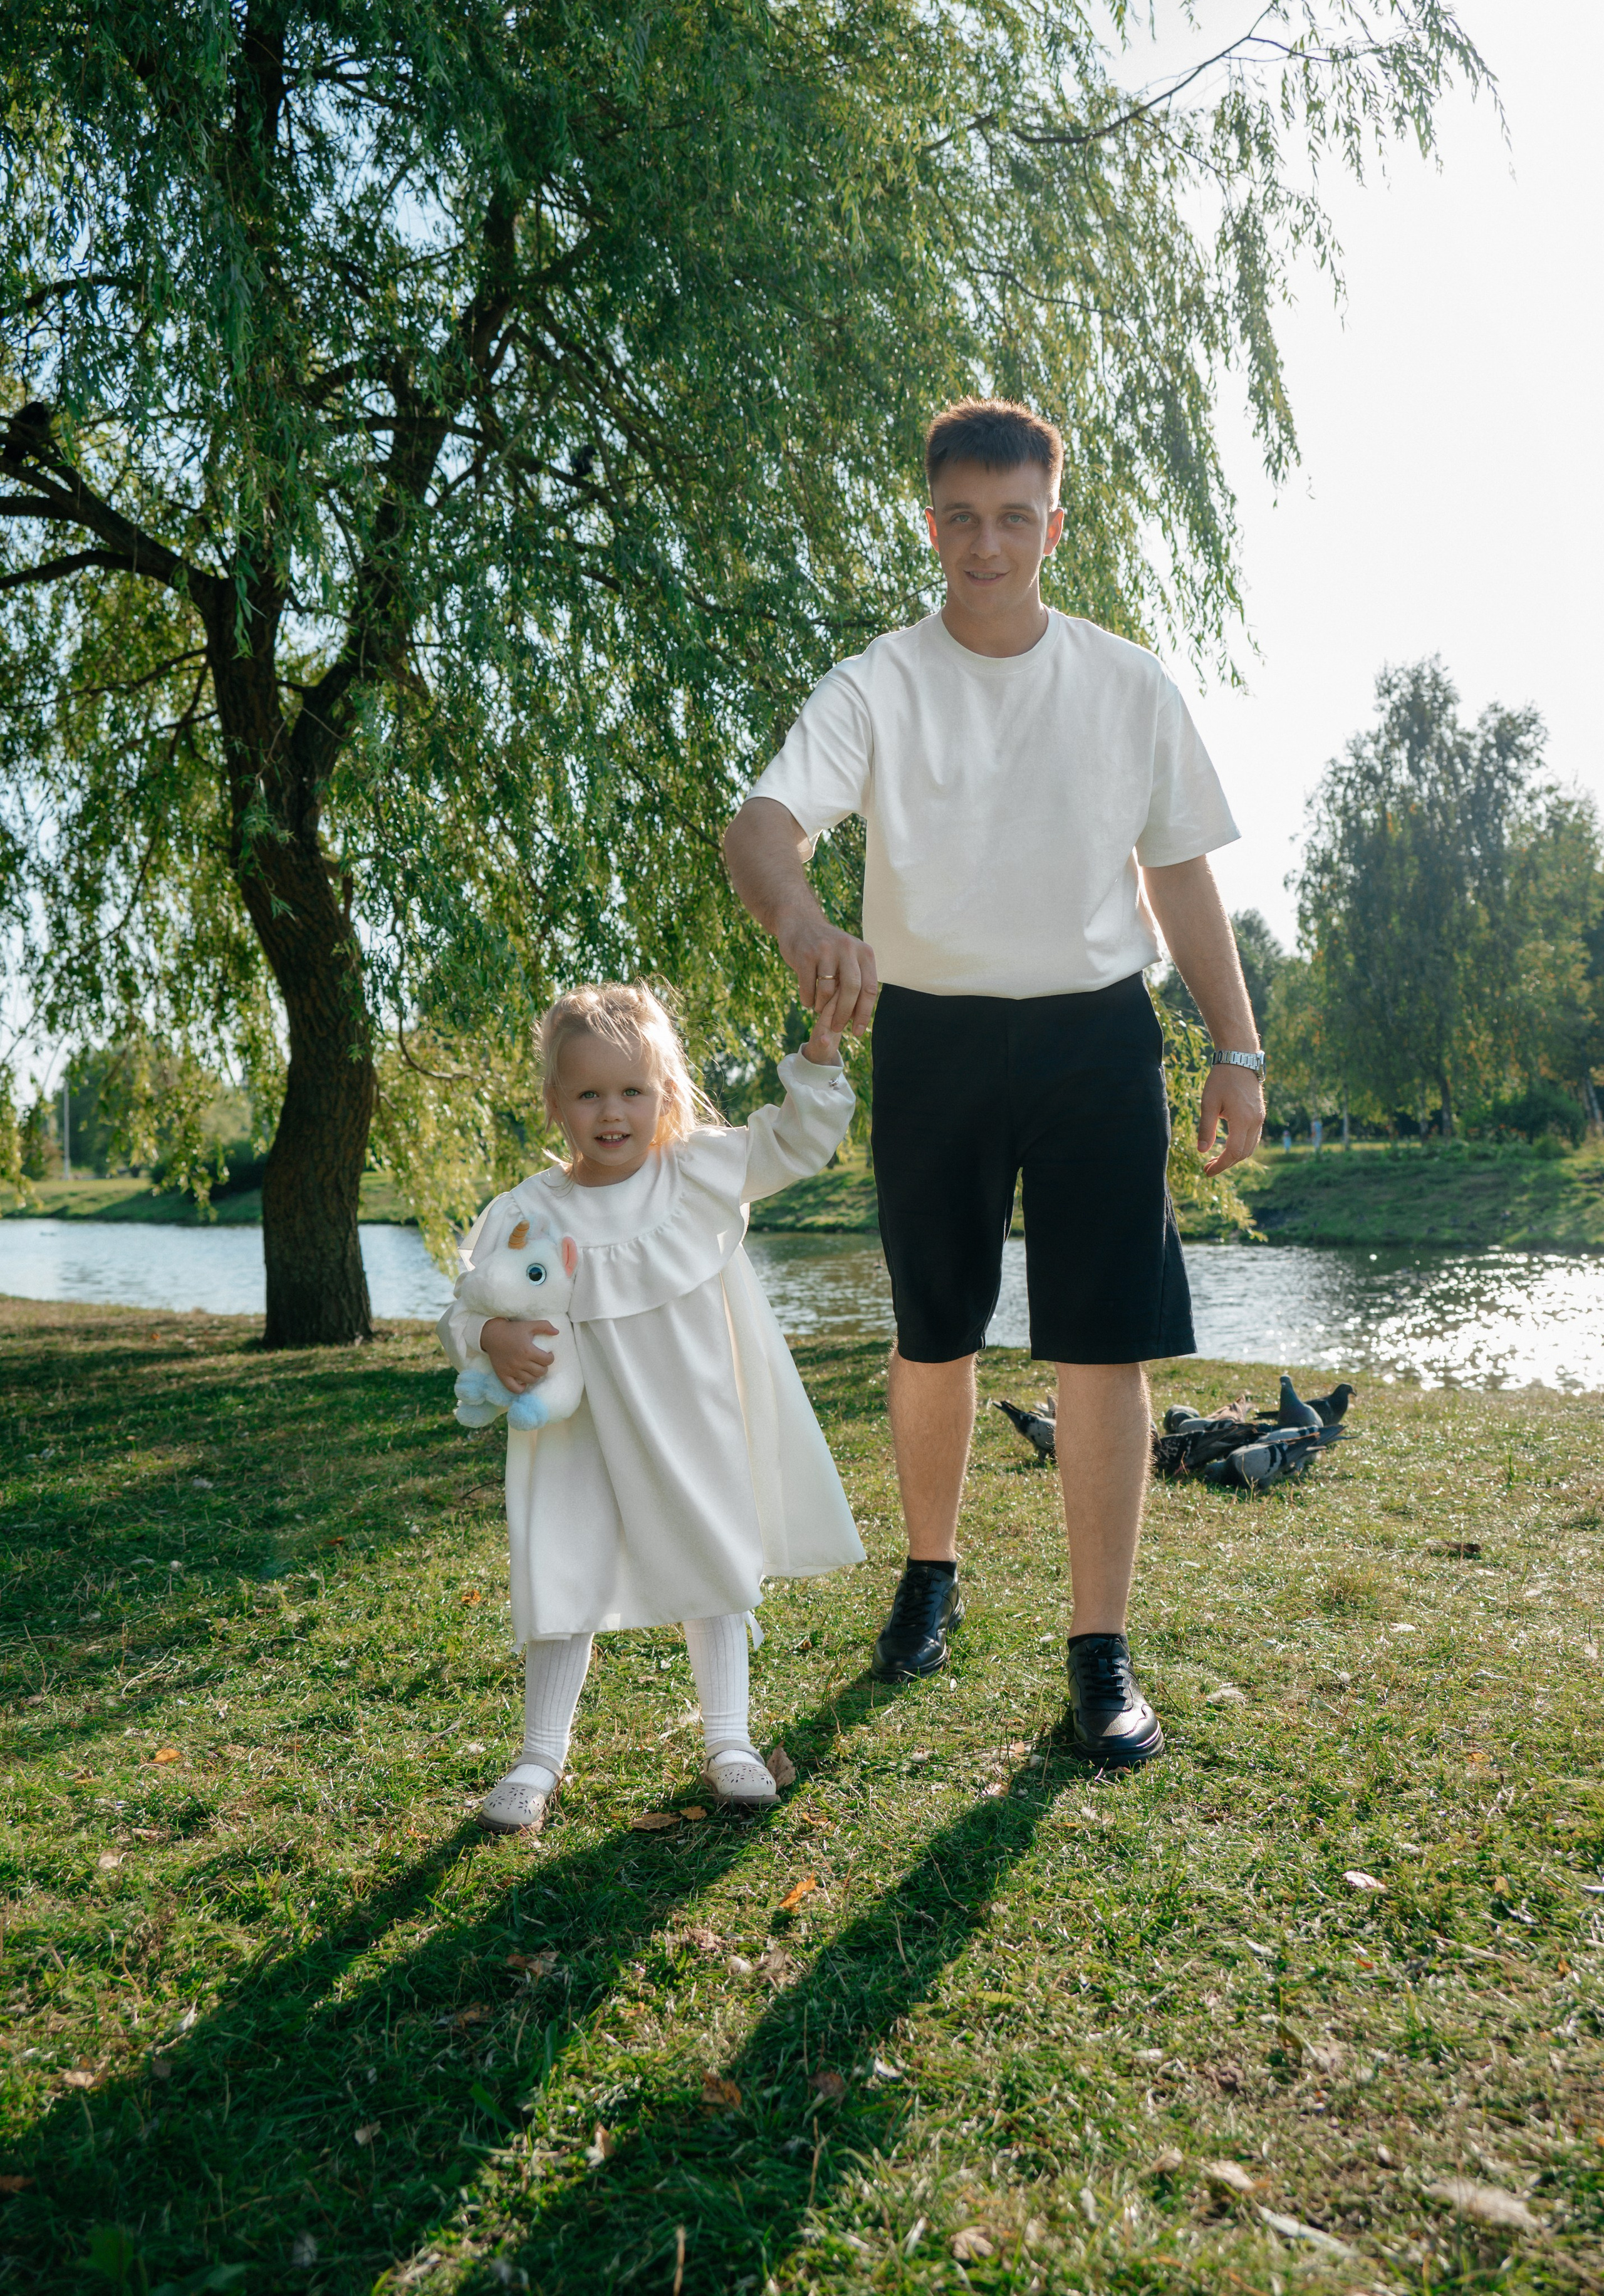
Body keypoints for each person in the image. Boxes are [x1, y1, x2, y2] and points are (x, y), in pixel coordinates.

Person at [723, 397, 1264, 1769]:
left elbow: (1179, 872)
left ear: (1049, 526)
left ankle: (1099, 1652)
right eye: (959, 518)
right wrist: (803, 924)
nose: (985, 543)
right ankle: (931, 1573)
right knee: (933, 1330)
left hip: (1094, 1035)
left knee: (1102, 1342)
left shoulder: (1127, 682)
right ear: (931, 524)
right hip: (933, 1039)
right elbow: (762, 827)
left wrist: (1235, 1046)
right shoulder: (875, 686)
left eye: (1012, 518)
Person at [437, 982, 865, 1832]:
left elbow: (796, 1142)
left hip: (688, 1416)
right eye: (589, 1092)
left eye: (632, 1090)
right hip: (575, 1431)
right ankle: (538, 1753)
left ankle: (729, 1738)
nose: (612, 1112)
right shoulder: (528, 1212)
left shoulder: (698, 1170)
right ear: (555, 1101)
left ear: (665, 1093)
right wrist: (492, 1339)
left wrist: (818, 1062)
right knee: (561, 1566)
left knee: (710, 1552)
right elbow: (467, 1304)